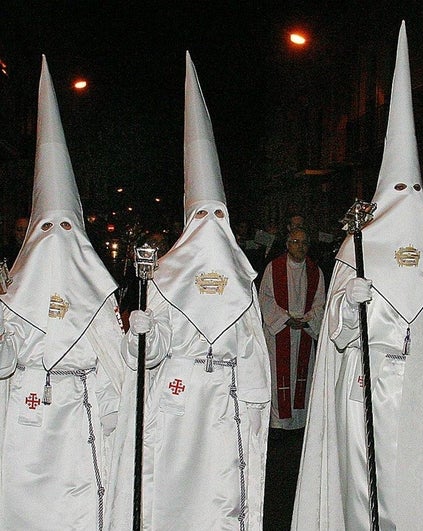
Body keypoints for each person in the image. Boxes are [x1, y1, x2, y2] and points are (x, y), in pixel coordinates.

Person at [292, 22, 423, 530]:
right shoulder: (358, 245)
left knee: (417, 489)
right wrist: (348, 308)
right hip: (365, 390)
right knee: (365, 491)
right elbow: (337, 336)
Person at [109, 53, 271, 530]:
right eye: (203, 218)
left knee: (222, 495)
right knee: (174, 489)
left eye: (218, 218)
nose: (211, 230)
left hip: (225, 397)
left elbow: (251, 345)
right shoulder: (165, 274)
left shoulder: (242, 278)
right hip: (180, 399)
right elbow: (151, 351)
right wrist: (142, 330)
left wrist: (255, 395)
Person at [0, 56, 126, 530]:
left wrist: (136, 344)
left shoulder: (94, 291)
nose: (56, 238)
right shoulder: (13, 292)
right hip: (28, 423)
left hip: (81, 419)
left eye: (66, 227)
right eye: (47, 227)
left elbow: (119, 363)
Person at [259, 227, 325, 432]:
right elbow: (265, 298)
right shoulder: (274, 268)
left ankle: (300, 423)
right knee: (278, 378)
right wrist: (286, 320)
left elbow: (320, 303)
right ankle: (278, 424)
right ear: (287, 244)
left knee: (302, 379)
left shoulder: (315, 271)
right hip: (280, 332)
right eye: (296, 242)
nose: (300, 247)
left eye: (304, 243)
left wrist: (307, 320)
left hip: (304, 331)